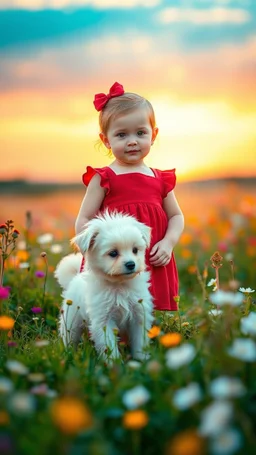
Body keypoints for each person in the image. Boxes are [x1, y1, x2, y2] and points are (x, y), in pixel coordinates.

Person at [75, 82, 184, 311]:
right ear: (106, 140)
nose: (132, 141)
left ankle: (145, 338)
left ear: (153, 135)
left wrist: (168, 243)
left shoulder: (160, 178)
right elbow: (83, 220)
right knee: (107, 308)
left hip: (150, 253)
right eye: (122, 134)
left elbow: (176, 216)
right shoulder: (104, 178)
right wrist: (93, 252)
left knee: (145, 309)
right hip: (113, 258)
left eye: (140, 133)